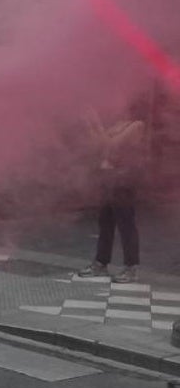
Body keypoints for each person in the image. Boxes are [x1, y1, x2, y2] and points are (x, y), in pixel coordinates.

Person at [77, 108, 145, 283]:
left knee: (125, 224)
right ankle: (101, 263)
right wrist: (91, 124)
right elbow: (99, 144)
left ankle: (131, 267)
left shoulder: (136, 125)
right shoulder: (115, 125)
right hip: (108, 178)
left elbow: (111, 144)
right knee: (105, 223)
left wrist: (96, 123)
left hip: (123, 180)